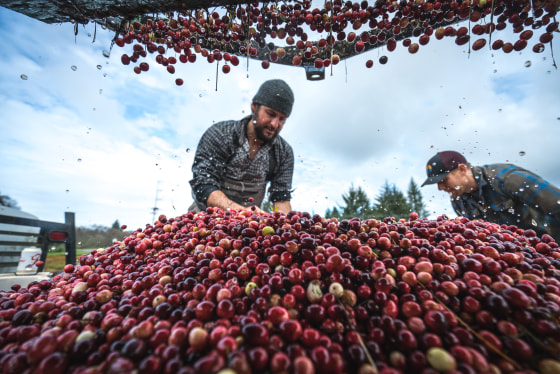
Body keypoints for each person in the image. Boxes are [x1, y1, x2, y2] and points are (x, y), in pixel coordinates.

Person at [189, 79, 295, 214]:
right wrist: (241, 212)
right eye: (270, 114)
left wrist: (286, 227)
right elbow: (203, 185)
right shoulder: (220, 134)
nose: (274, 124)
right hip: (205, 219)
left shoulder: (283, 152)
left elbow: (281, 197)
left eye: (282, 119)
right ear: (254, 106)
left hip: (247, 229)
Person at [421, 150, 560, 240]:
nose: (440, 188)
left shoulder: (505, 178)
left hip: (553, 242)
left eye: (443, 180)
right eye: (436, 184)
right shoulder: (458, 200)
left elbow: (556, 203)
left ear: (462, 169)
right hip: (524, 256)